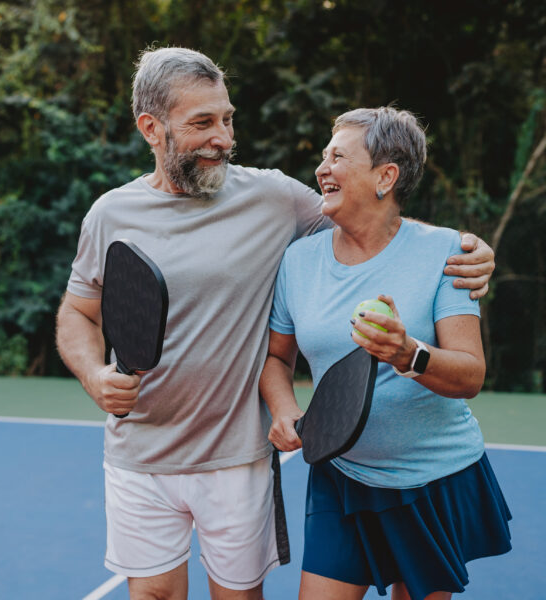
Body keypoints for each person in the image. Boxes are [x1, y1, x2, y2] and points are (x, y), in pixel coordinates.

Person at [56, 47, 496, 600]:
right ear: (152, 128)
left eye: (227, 118)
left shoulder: (275, 198)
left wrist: (465, 248)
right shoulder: (109, 214)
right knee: (151, 595)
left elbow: (372, 219)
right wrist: (94, 376)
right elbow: (77, 311)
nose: (223, 136)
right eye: (202, 123)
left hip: (236, 456)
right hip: (138, 452)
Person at [259, 106, 511, 600]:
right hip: (342, 472)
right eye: (323, 156)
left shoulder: (447, 253)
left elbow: (470, 375)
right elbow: (275, 358)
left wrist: (408, 353)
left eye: (337, 156)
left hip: (432, 478)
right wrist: (284, 408)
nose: (321, 168)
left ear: (385, 176)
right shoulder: (298, 260)